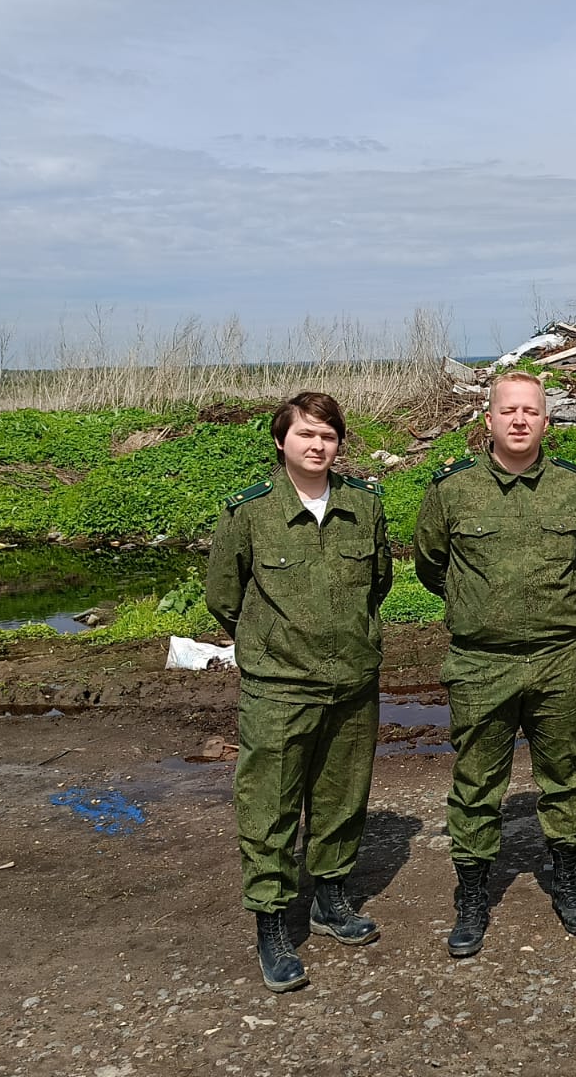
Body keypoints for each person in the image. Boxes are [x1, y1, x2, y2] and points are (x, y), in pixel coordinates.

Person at [413, 371, 576, 958]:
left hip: (561, 660)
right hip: (481, 665)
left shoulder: (575, 491)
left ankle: (569, 885)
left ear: (547, 421)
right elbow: (430, 566)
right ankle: (472, 896)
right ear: (488, 421)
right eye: (508, 411)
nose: (519, 420)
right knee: (476, 784)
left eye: (531, 411)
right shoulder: (452, 492)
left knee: (567, 777)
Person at [206, 391, 395, 993]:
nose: (317, 446)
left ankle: (330, 896)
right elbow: (224, 596)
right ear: (282, 441)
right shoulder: (250, 513)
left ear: (340, 445)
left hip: (352, 682)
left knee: (342, 796)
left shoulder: (364, 508)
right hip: (280, 687)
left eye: (329, 436)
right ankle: (271, 922)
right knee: (270, 807)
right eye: (306, 435)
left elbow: (379, 583)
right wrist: (271, 647)